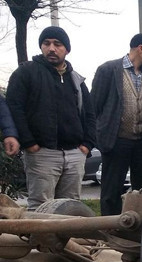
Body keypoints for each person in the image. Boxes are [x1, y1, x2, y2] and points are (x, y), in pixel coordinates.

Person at [6, 26, 96, 210]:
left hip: (75, 154)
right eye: (46, 43)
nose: (51, 48)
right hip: (42, 154)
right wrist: (29, 143)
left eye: (57, 44)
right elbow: (14, 108)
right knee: (40, 208)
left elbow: (89, 114)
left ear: (67, 49)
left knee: (70, 208)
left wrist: (87, 144)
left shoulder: (76, 79)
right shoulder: (26, 73)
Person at [91, 33, 142, 216]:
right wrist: (100, 135)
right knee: (111, 190)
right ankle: (109, 227)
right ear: (140, 48)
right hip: (117, 140)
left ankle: (138, 227)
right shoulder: (108, 70)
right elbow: (94, 107)